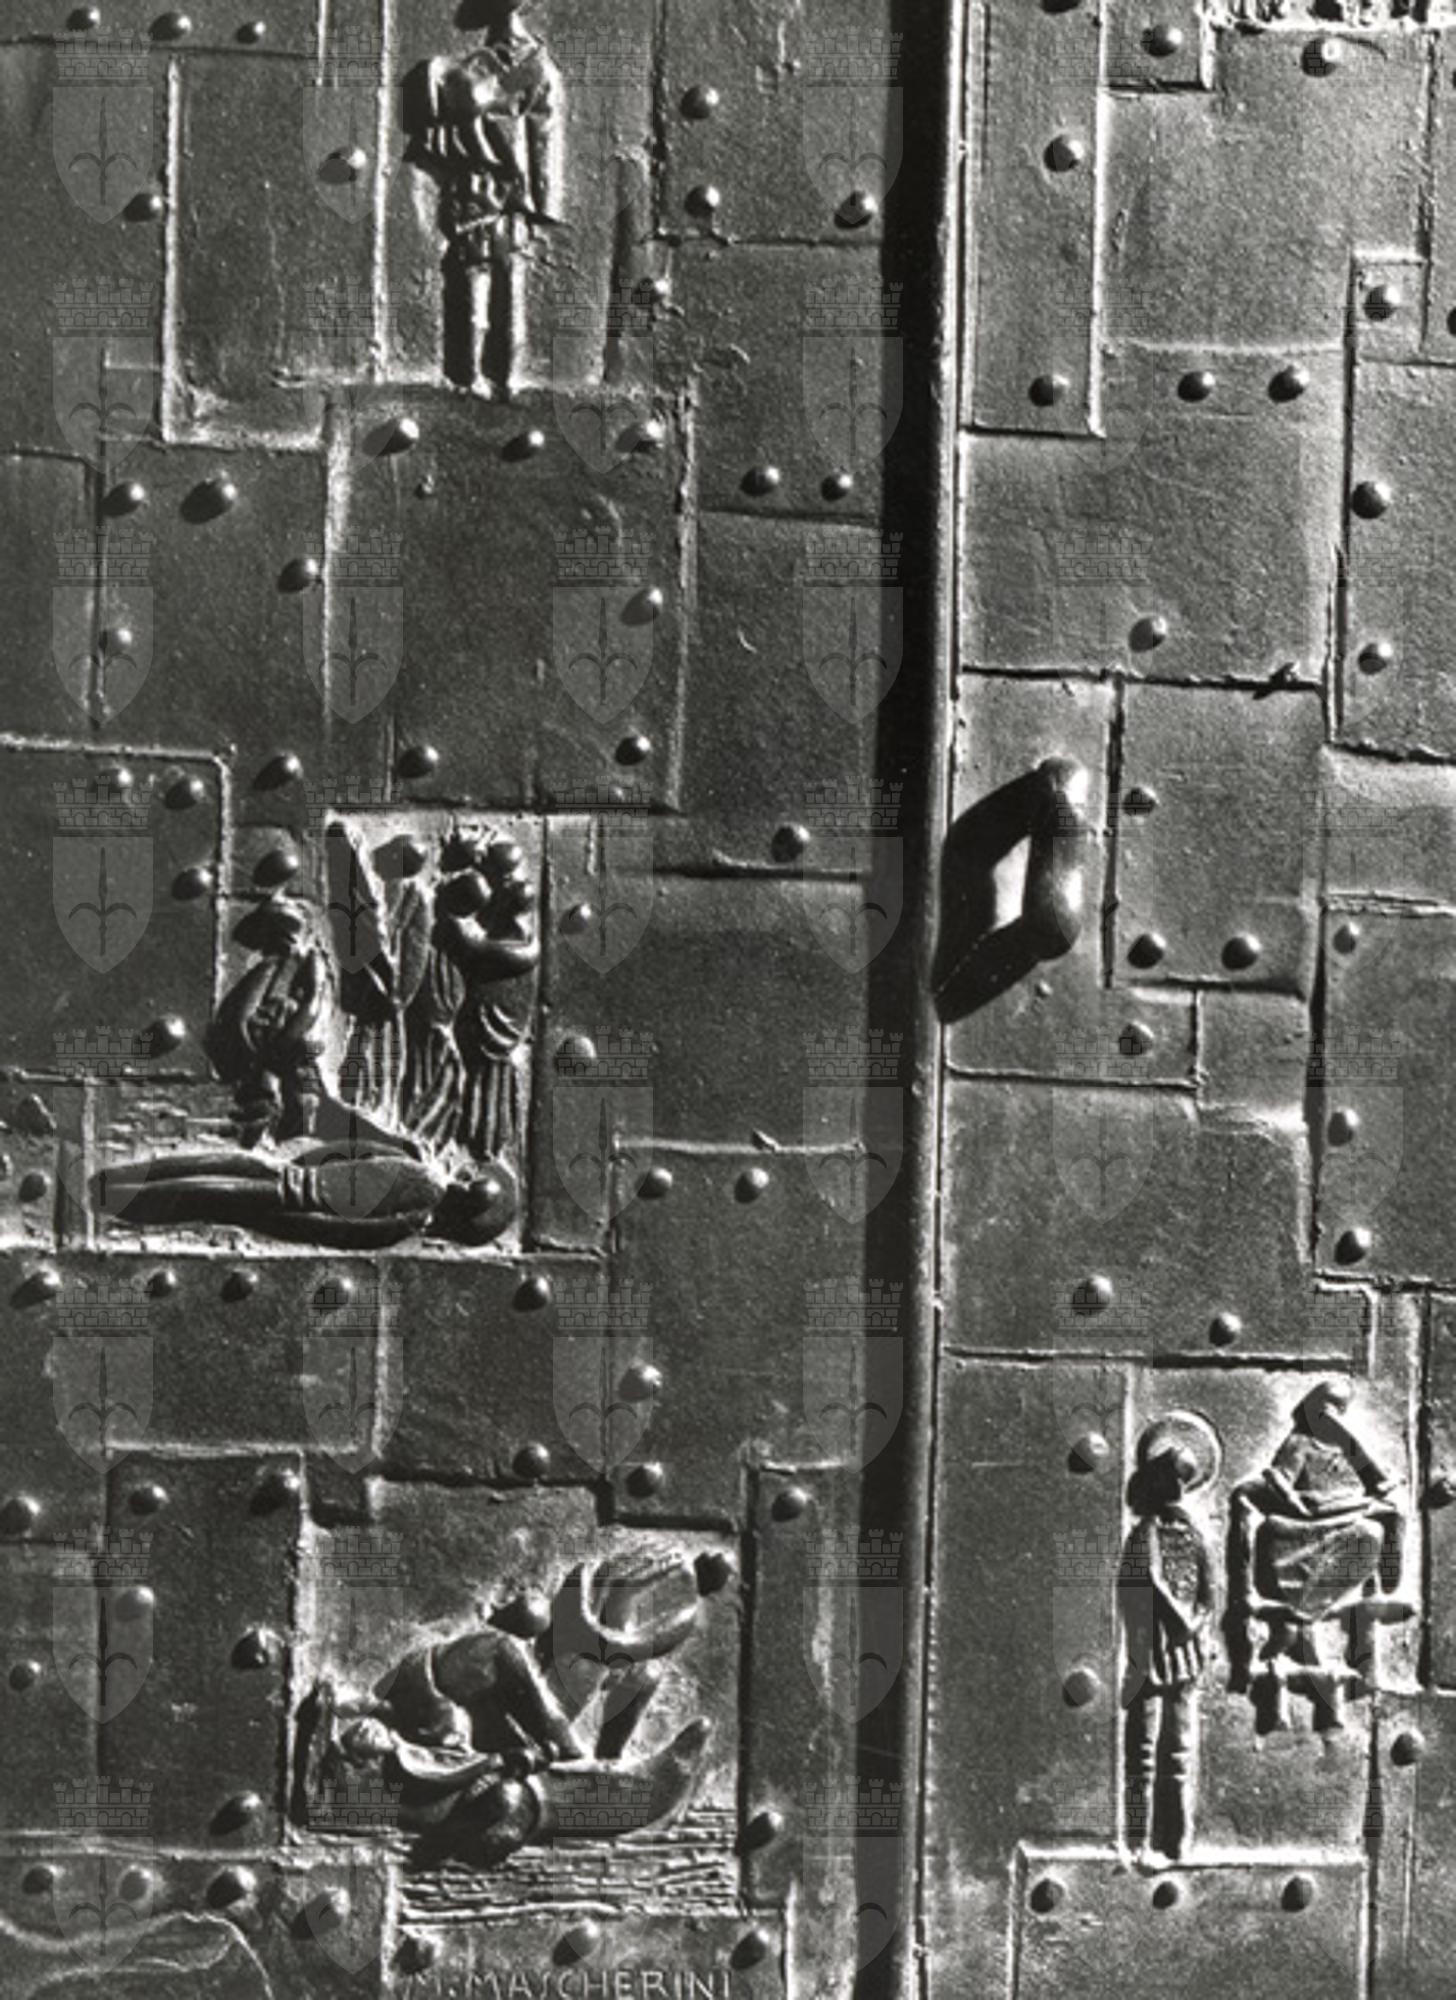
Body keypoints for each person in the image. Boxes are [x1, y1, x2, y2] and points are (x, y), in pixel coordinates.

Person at [404, 0, 563, 394]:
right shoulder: (474, 65)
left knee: (506, 281)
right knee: (476, 277)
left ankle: (502, 377)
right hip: (478, 188)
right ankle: (471, 374)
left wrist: (542, 201)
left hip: (507, 193)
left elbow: (543, 135)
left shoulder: (536, 67)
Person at [1118, 1437, 1213, 1864]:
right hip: (1151, 1655)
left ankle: (1176, 1841)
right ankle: (1138, 1840)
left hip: (1185, 1657)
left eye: (1181, 1479)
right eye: (1169, 1478)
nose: (1175, 1487)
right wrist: (1182, 1623)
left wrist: (1197, 1627)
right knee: (1142, 1754)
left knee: (1179, 1751)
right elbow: (1153, 1582)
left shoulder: (1195, 1537)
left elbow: (1210, 1594)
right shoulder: (1146, 1533)